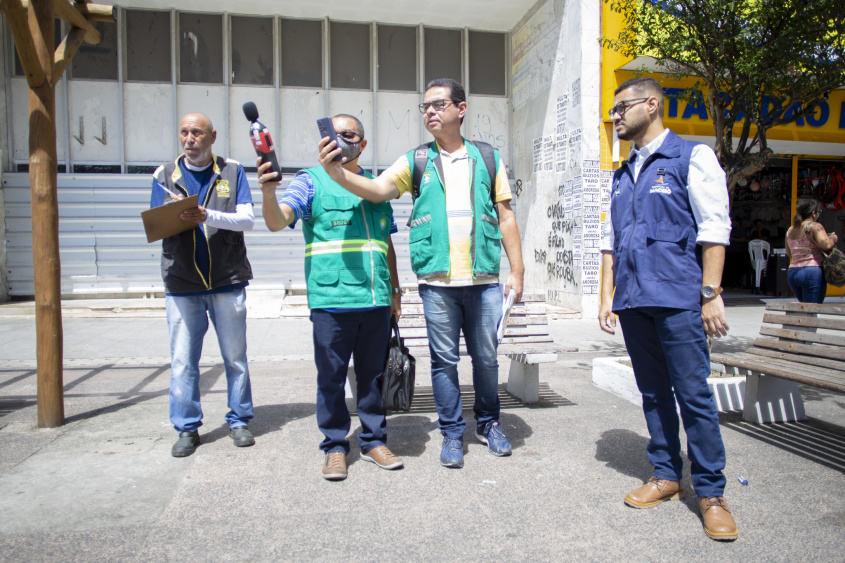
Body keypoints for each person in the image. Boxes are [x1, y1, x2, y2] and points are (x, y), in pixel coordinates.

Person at [317, 78, 525, 469]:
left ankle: (488, 423)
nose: (430, 111)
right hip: (437, 284)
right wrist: (337, 174)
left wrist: (518, 269)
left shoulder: (488, 157)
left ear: (460, 109)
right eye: (425, 106)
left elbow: (506, 215)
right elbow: (377, 190)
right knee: (443, 362)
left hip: (484, 282)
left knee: (487, 360)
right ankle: (450, 433)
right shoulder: (415, 160)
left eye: (438, 104)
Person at [598, 77, 738, 541]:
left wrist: (710, 292)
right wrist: (607, 296)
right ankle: (665, 474)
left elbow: (714, 227)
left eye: (621, 108)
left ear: (651, 105)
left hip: (679, 299)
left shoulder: (690, 157)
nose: (615, 117)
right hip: (634, 302)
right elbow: (611, 242)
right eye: (613, 111)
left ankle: (712, 494)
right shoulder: (622, 173)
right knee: (653, 393)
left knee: (693, 395)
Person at [259, 114, 404, 481]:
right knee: (331, 378)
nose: (340, 140)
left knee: (372, 378)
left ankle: (373, 442)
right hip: (332, 300)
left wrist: (396, 293)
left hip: (375, 301)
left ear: (362, 143)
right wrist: (268, 193)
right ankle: (335, 447)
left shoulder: (377, 185)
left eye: (348, 134)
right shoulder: (310, 181)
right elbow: (278, 221)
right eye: (334, 134)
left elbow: (386, 244)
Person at [151, 113, 256, 458]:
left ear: (212, 136)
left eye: (197, 132)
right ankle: (186, 428)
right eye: (184, 132)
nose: (189, 139)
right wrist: (174, 217)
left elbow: (247, 220)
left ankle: (239, 420)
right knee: (183, 361)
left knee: (235, 357)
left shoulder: (232, 170)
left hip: (227, 279)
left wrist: (207, 216)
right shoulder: (165, 175)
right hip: (182, 281)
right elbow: (155, 224)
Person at [785, 199, 838, 303]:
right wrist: (833, 239)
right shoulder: (814, 226)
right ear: (814, 213)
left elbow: (789, 253)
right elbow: (826, 245)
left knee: (805, 307)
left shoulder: (791, 229)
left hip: (793, 273)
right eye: (819, 212)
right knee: (812, 310)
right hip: (811, 272)